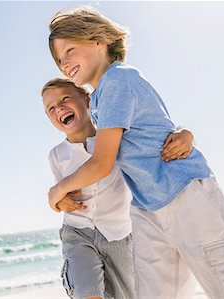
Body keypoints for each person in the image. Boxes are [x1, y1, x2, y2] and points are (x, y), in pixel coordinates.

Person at [46, 6, 224, 299]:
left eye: (69, 50)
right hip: (148, 209)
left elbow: (102, 163)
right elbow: (152, 124)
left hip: (186, 196)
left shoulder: (117, 80)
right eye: (58, 59)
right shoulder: (100, 99)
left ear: (97, 40)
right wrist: (185, 130)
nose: (64, 63)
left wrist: (56, 191)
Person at [42, 78, 192, 299]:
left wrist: (185, 133)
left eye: (65, 99)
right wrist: (61, 201)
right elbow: (60, 194)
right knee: (87, 292)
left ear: (87, 100)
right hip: (77, 231)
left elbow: (157, 136)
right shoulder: (56, 155)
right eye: (51, 108)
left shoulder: (114, 140)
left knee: (127, 294)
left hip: (119, 233)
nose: (59, 108)